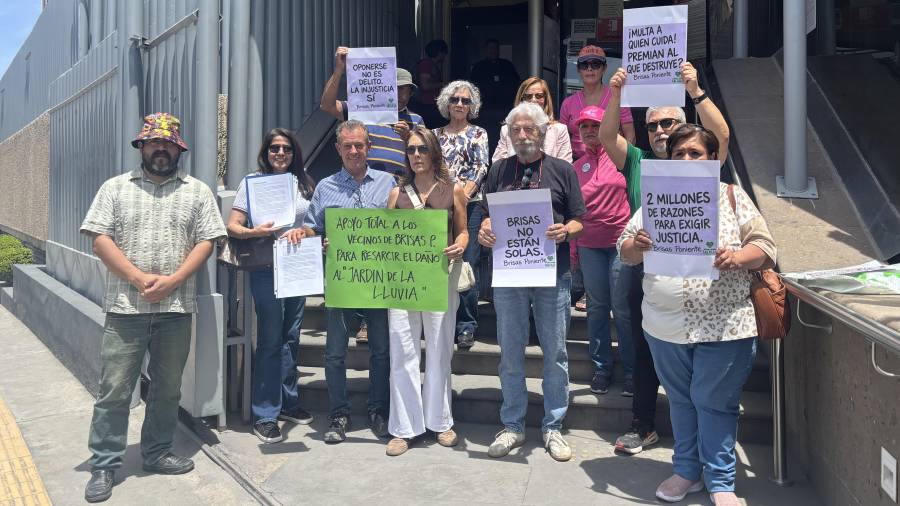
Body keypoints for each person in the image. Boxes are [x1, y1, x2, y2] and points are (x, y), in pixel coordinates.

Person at [617, 124, 776, 506]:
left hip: (724, 325)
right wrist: (637, 246)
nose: (687, 159)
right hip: (664, 325)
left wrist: (737, 257)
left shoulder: (732, 198)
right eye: (679, 154)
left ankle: (721, 481)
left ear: (713, 159)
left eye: (695, 153)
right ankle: (687, 471)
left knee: (714, 401)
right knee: (681, 400)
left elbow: (766, 248)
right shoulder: (655, 201)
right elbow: (624, 250)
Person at [79, 113, 226, 503]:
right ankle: (105, 464)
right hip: (126, 308)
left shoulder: (197, 192)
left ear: (179, 149)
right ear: (141, 147)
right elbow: (99, 239)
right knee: (114, 390)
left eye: (168, 144)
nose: (161, 149)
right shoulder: (115, 188)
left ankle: (157, 452)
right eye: (153, 143)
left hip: (176, 308)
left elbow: (207, 241)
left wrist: (175, 280)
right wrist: (138, 278)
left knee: (167, 388)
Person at [600, 62, 730, 456]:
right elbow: (607, 137)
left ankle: (693, 431)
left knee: (696, 354)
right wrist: (616, 94)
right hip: (648, 270)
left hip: (701, 276)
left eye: (669, 123)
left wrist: (695, 90)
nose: (661, 131)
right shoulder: (638, 161)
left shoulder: (699, 159)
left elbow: (722, 135)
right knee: (643, 350)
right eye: (654, 125)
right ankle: (644, 423)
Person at [477, 102, 585, 462]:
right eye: (516, 129)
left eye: (529, 130)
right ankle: (513, 425)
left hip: (552, 274)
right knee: (510, 351)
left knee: (555, 352)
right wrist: (485, 229)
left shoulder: (562, 170)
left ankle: (553, 427)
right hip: (509, 276)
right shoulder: (497, 171)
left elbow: (579, 221)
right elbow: (487, 218)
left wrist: (565, 230)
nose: (522, 135)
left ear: (541, 134)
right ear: (508, 134)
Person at [321, 46, 425, 343]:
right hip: (362, 184)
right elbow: (326, 105)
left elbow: (427, 155)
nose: (401, 94)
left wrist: (409, 138)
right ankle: (364, 317)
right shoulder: (360, 110)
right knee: (364, 249)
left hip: (398, 189)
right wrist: (340, 69)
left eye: (406, 90)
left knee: (391, 253)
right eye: (397, 88)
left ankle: (395, 309)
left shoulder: (415, 120)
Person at [302, 120, 396, 444]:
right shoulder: (325, 187)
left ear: (369, 146)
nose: (354, 151)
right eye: (347, 146)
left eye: (359, 145)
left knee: (381, 351)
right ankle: (338, 414)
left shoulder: (389, 183)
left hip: (381, 280)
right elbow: (312, 227)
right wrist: (317, 238)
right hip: (342, 281)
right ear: (338, 149)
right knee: (334, 354)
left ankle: (378, 410)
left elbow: (404, 226)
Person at [226, 129, 316, 444]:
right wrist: (255, 232)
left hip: (298, 265)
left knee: (291, 337)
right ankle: (265, 413)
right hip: (266, 266)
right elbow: (233, 226)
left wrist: (304, 232)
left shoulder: (305, 182)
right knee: (270, 338)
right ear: (266, 152)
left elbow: (314, 223)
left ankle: (288, 401)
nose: (280, 153)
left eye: (287, 149)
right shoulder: (252, 182)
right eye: (275, 148)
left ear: (295, 153)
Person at [384, 126, 469, 456]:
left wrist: (459, 246)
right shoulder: (396, 194)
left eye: (421, 149)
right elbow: (382, 237)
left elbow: (463, 232)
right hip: (403, 283)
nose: (416, 156)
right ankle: (404, 427)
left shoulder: (454, 191)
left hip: (439, 278)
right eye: (410, 150)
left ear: (434, 153)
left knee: (438, 348)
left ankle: (440, 421)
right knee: (402, 350)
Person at [569, 107, 633, 397]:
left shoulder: (623, 158)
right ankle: (602, 368)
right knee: (596, 308)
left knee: (622, 308)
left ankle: (633, 371)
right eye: (584, 126)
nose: (590, 130)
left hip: (621, 244)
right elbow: (571, 212)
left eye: (596, 125)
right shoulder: (575, 166)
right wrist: (572, 250)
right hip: (588, 245)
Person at [433, 80, 490, 349]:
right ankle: (439, 319)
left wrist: (462, 196)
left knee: (467, 261)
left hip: (470, 204)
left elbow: (481, 166)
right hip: (438, 205)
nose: (459, 104)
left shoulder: (479, 133)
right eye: (455, 99)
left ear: (472, 106)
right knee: (440, 260)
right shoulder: (434, 135)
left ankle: (466, 325)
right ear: (446, 102)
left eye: (465, 101)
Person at [559, 45, 635, 161]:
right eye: (585, 65)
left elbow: (630, 136)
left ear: (604, 68)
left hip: (612, 163)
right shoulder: (567, 103)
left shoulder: (617, 96)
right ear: (579, 70)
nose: (590, 69)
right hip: (577, 164)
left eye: (595, 64)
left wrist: (626, 163)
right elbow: (561, 140)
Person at [493, 77, 572, 163]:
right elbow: (498, 164)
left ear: (546, 100)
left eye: (539, 96)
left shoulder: (559, 130)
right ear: (521, 100)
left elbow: (565, 167)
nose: (534, 100)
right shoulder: (506, 129)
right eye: (528, 96)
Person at [469, 38, 521, 111]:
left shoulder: (507, 65)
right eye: (490, 48)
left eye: (495, 48)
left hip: (505, 106)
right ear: (486, 50)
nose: (493, 50)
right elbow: (472, 86)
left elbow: (516, 83)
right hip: (485, 107)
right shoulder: (478, 67)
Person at [415, 39, 449, 128]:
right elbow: (424, 85)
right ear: (439, 52)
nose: (445, 56)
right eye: (444, 53)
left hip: (431, 105)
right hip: (427, 106)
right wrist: (442, 84)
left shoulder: (433, 65)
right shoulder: (426, 64)